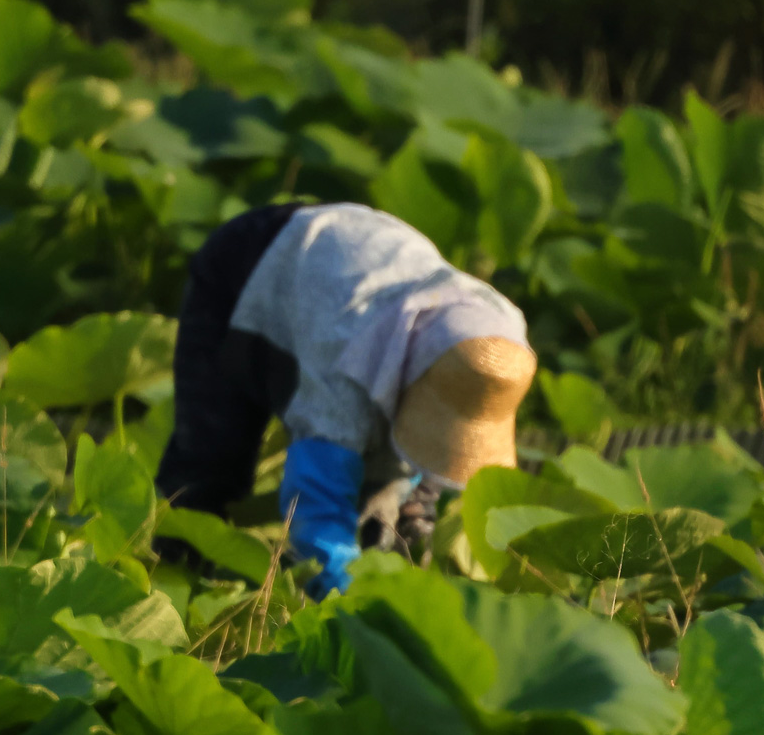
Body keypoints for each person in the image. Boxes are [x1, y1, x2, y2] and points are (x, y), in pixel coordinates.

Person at [155, 202, 537, 597]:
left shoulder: (499, 341)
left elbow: (430, 445)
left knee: (405, 504)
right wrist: (350, 602)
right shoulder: (346, 368)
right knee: (212, 463)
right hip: (255, 261)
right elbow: (317, 506)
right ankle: (168, 583)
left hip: (363, 267)